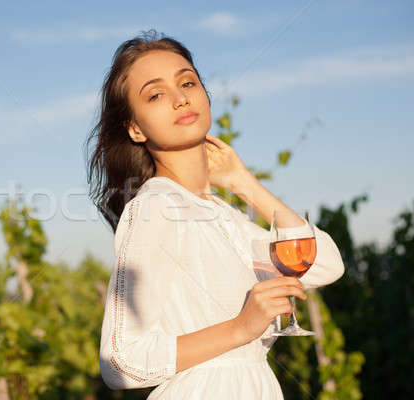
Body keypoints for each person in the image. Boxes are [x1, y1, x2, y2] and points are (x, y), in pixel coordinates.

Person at [85, 30, 344, 399]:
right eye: (156, 94)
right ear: (135, 129)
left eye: (187, 82)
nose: (180, 99)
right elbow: (120, 363)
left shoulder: (225, 215)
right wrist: (240, 327)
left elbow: (326, 265)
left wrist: (243, 182)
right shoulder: (156, 206)